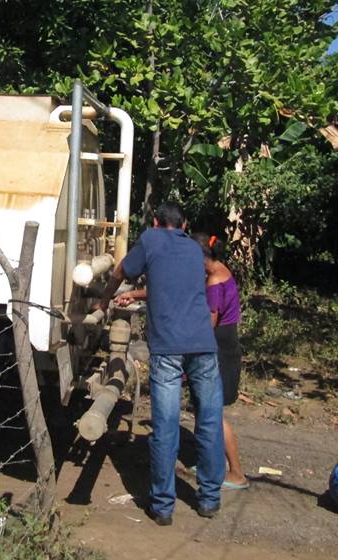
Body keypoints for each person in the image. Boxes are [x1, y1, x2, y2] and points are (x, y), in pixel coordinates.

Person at [99, 201, 224, 525]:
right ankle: (209, 499)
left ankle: (163, 506)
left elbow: (118, 271)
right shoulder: (195, 251)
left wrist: (104, 299)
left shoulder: (152, 239)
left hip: (168, 350)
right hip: (203, 345)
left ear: (155, 222)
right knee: (209, 422)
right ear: (185, 225)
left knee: (166, 426)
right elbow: (167, 288)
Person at [192, 233, 249, 489]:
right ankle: (214, 462)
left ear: (203, 256)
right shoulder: (222, 271)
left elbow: (210, 320)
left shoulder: (214, 281)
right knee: (207, 408)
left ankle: (237, 472)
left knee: (213, 413)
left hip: (219, 347)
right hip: (227, 343)